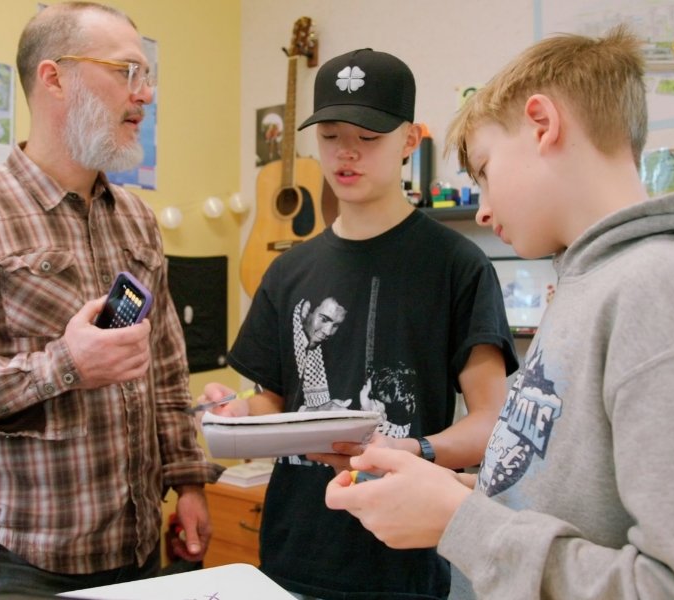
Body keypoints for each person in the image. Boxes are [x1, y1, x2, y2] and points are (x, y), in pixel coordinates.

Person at [325, 25, 674, 599]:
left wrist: (459, 521)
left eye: (484, 171)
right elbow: (552, 499)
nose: (482, 211)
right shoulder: (586, 283)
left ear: (542, 124)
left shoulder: (659, 284)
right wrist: (442, 488)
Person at [0, 3, 223, 597]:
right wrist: (63, 367)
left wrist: (189, 484)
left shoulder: (136, 219)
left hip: (137, 551)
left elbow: (164, 368)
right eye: (128, 73)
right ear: (55, 78)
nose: (147, 95)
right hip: (21, 566)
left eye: (148, 76)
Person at [203, 48, 519, 600]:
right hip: (292, 554)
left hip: (402, 562)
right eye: (330, 136)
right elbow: (273, 404)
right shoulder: (288, 271)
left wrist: (415, 450)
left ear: (409, 142)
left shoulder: (457, 266)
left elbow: (493, 422)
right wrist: (233, 415)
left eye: (368, 137)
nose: (346, 153)